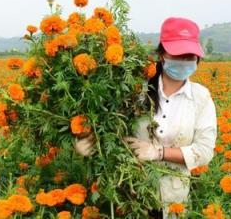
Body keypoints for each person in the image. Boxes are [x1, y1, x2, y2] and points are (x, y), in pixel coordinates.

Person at [75, 17, 218, 219]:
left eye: (190, 56)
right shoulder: (134, 90)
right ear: (161, 54)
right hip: (129, 196)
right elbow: (108, 131)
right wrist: (87, 143)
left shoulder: (201, 98)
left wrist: (158, 152)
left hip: (173, 201)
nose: (184, 61)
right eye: (178, 54)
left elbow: (203, 151)